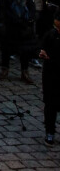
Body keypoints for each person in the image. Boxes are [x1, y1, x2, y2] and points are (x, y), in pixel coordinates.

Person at [41, 9, 60, 145]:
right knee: (50, 104)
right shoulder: (51, 35)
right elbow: (41, 47)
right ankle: (50, 131)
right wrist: (41, 53)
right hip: (51, 75)